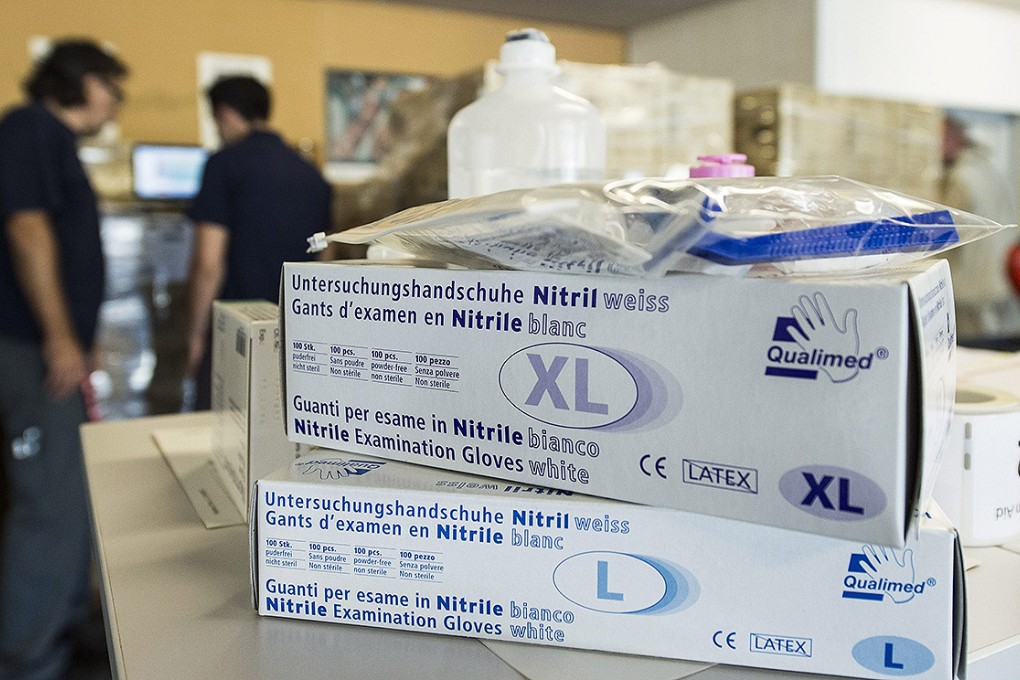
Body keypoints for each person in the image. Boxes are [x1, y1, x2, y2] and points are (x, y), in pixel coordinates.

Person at [0, 39, 127, 679]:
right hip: (29, 350)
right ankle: (26, 658)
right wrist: (58, 336)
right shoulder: (29, 127)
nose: (117, 101)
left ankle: (61, 629)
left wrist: (78, 332)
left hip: (49, 347)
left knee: (70, 499)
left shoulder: (51, 140)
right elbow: (26, 227)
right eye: (111, 85)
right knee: (50, 506)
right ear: (79, 82)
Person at [185, 75, 333, 410]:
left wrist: (196, 335)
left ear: (225, 114)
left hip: (236, 332)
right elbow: (327, 259)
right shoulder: (311, 175)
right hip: (296, 336)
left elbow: (208, 264)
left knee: (224, 438)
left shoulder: (223, 165)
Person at [940, 115, 1020, 344]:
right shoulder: (993, 172)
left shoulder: (960, 179)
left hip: (972, 307)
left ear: (952, 138)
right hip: (1004, 297)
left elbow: (945, 240)